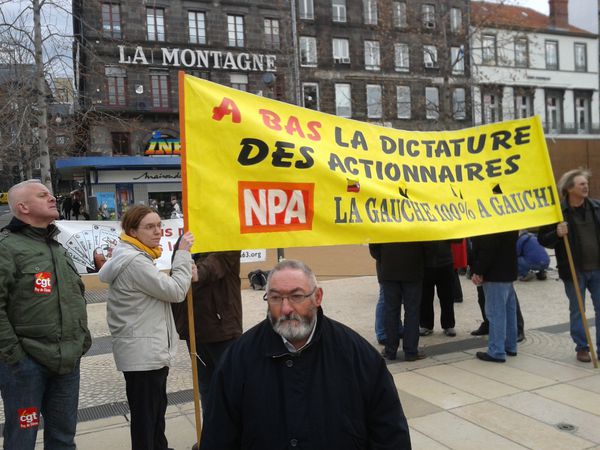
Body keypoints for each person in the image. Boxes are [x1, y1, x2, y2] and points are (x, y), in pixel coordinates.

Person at [200, 259, 411, 449]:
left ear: (317, 296)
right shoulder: (238, 360)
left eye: (296, 296)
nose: (285, 308)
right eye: (275, 298)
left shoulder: (357, 355)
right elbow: (218, 437)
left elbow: (390, 435)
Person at [0, 179, 91, 449]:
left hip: (67, 363)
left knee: (64, 437)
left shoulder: (58, 247)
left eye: (50, 194)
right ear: (23, 207)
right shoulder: (6, 248)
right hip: (26, 367)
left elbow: (75, 296)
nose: (52, 198)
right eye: (43, 196)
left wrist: (82, 340)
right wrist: (15, 357)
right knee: (22, 437)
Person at [98, 205, 196, 450]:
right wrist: (182, 254)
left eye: (159, 225)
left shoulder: (137, 256)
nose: (158, 232)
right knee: (146, 416)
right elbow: (175, 291)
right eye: (149, 227)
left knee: (155, 412)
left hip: (146, 350)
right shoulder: (134, 261)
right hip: (142, 352)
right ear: (132, 231)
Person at [539, 168, 600, 363]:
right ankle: (582, 347)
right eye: (582, 184)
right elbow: (543, 240)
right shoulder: (557, 213)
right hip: (574, 270)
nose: (586, 187)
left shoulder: (596, 208)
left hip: (598, 269)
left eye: (586, 184)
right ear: (569, 188)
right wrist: (557, 234)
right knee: (578, 309)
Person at [171, 250, 242, 413]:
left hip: (222, 331)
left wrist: (197, 272)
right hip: (194, 329)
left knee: (231, 386)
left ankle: (236, 434)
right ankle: (212, 433)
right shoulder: (187, 240)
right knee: (206, 386)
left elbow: (215, 265)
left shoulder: (226, 242)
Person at [370, 242, 426, 361]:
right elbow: (428, 244)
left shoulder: (383, 223)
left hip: (389, 267)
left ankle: (391, 350)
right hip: (413, 267)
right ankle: (411, 351)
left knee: (391, 311)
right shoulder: (417, 223)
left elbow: (374, 246)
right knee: (412, 312)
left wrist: (384, 258)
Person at [470, 230, 519, 363]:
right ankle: (511, 346)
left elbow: (487, 248)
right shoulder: (507, 216)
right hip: (508, 270)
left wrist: (478, 270)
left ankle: (496, 351)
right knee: (509, 312)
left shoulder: (490, 222)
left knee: (496, 312)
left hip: (495, 273)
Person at [419, 241, 456, 337]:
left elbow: (458, 239)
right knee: (425, 297)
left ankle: (448, 325)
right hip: (425, 262)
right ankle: (426, 325)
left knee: (447, 297)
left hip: (445, 262)